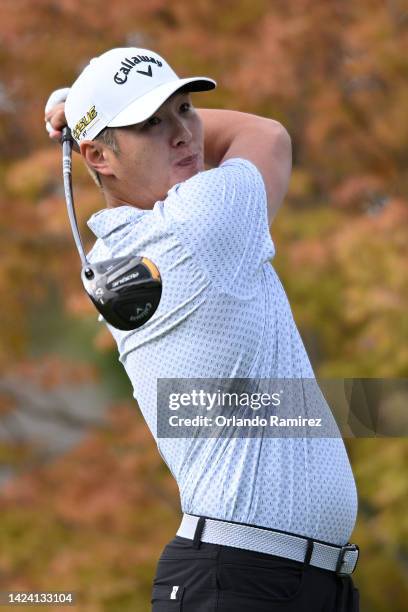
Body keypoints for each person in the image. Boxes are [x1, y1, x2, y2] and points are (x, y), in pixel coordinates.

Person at [44, 47, 360, 611]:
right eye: (150, 123)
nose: (185, 133)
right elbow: (266, 134)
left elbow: (193, 144)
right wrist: (81, 112)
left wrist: (93, 118)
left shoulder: (124, 244)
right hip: (243, 581)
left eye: (185, 109)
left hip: (273, 578)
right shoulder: (199, 222)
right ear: (98, 156)